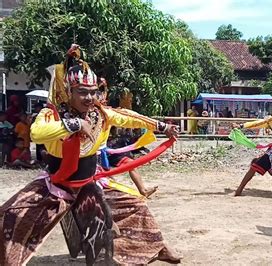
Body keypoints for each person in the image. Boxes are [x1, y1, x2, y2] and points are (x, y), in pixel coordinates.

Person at [0, 44, 181, 265]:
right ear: (69, 92)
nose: (88, 97)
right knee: (10, 215)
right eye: (82, 92)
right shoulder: (53, 113)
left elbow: (129, 117)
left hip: (90, 181)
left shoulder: (101, 114)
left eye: (92, 92)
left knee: (136, 205)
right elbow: (37, 134)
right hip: (57, 185)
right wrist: (74, 124)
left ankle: (157, 248)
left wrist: (162, 127)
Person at [107, 126, 158, 197]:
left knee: (131, 165)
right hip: (111, 154)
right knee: (130, 165)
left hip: (121, 152)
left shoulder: (129, 128)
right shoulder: (110, 125)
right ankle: (143, 191)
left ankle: (143, 191)